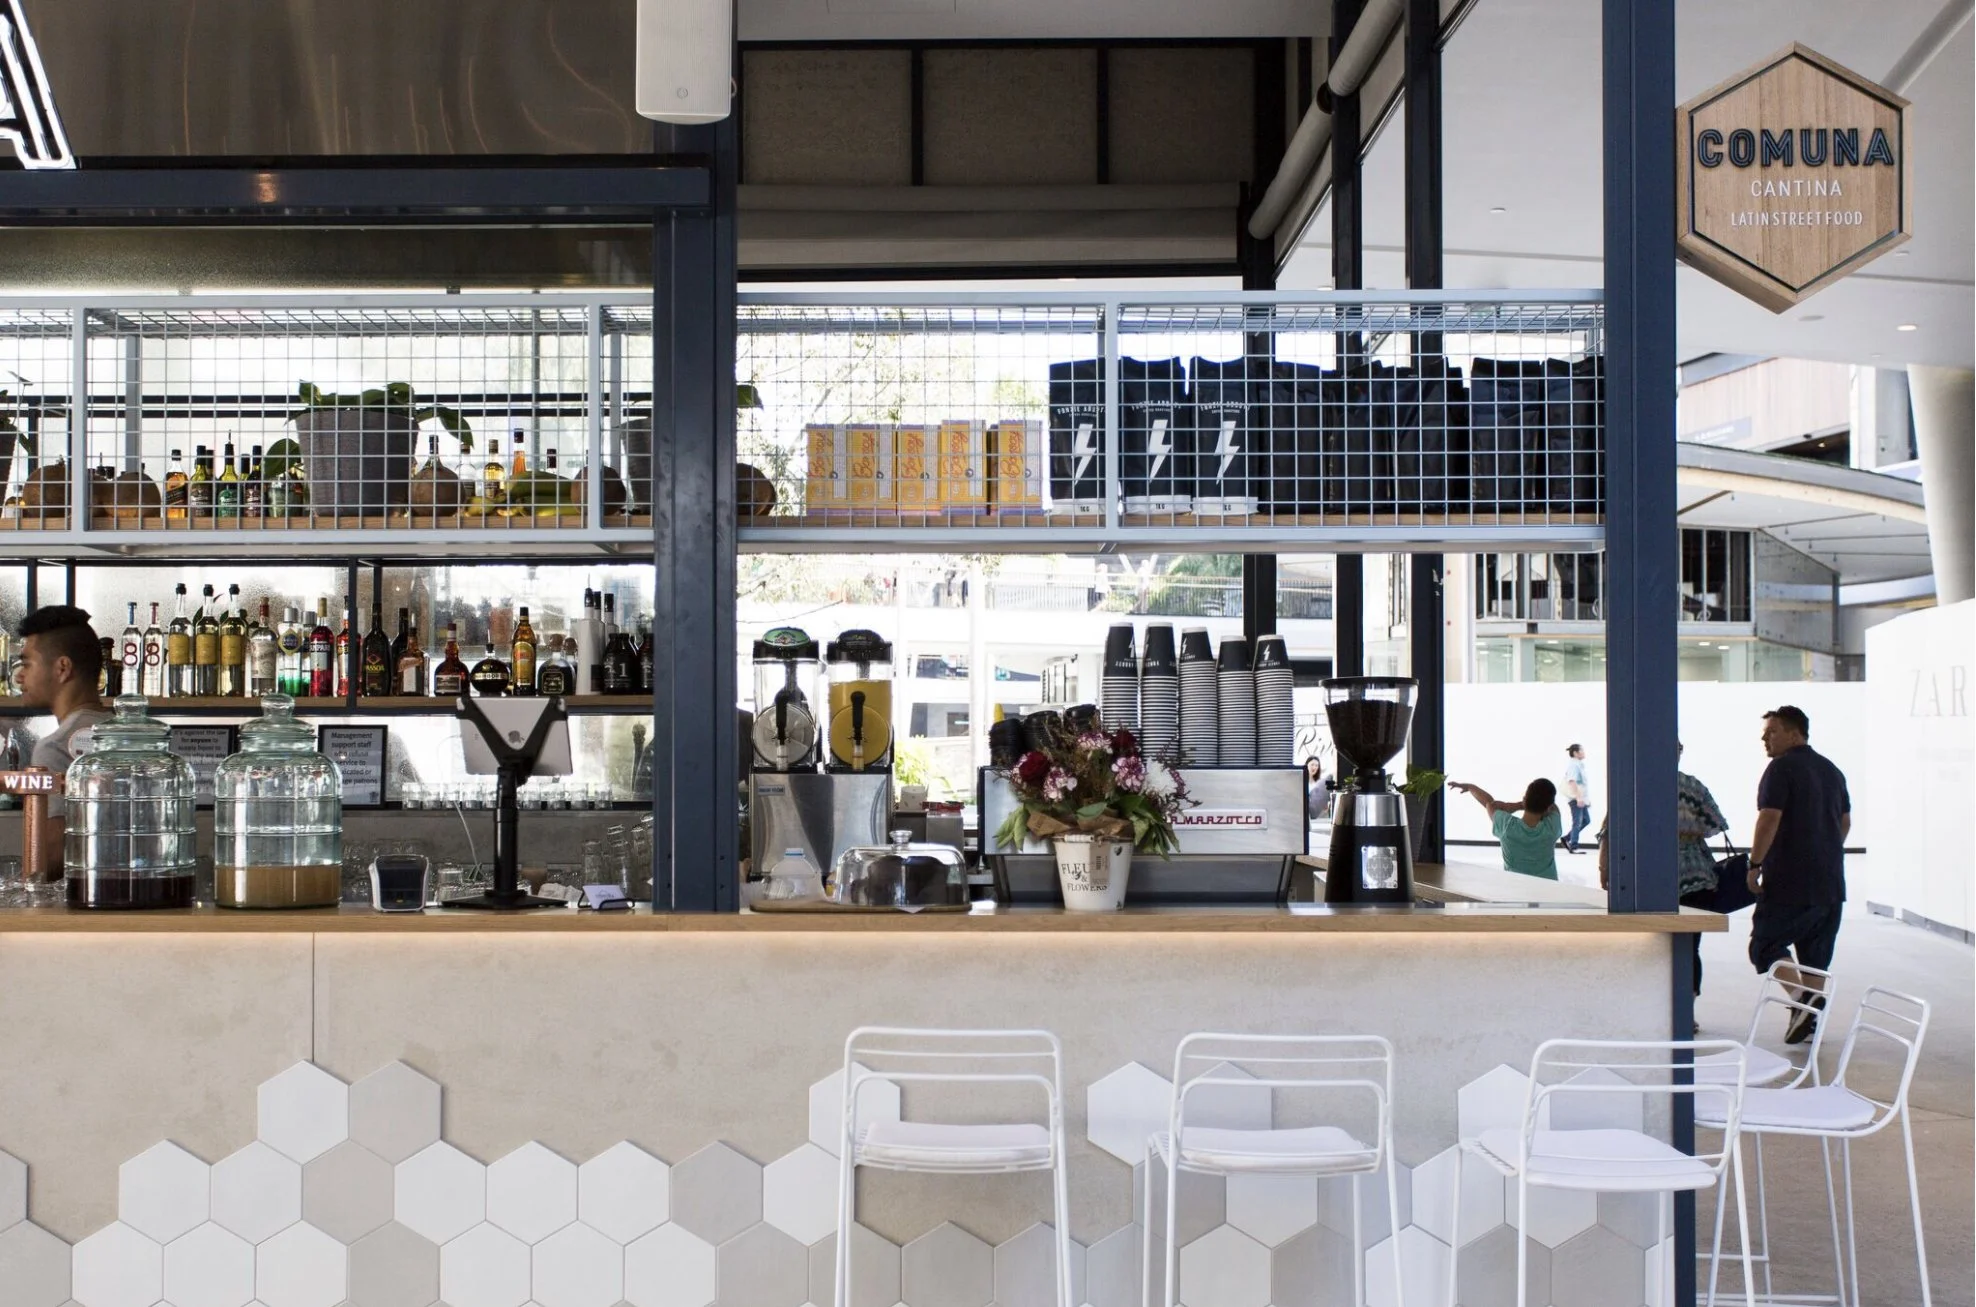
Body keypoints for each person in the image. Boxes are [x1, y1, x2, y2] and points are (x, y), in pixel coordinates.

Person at [1747, 705, 1850, 1044]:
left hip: (1791, 879)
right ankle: (1809, 1020)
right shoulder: (1831, 771)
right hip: (1831, 880)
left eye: (1772, 731)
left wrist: (1755, 864)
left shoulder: (1781, 769)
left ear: (1794, 733)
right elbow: (1845, 822)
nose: (1765, 738)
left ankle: (1802, 1000)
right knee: (1815, 954)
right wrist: (1824, 851)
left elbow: (1769, 818)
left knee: (1765, 943)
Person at [1600, 744, 1730, 1003]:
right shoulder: (1693, 787)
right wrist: (1685, 828)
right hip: (1695, 877)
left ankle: (1656, 1006)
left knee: (1653, 945)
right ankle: (1686, 1010)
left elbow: (1610, 830)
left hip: (1648, 876)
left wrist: (1605, 868)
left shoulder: (1634, 785)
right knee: (1689, 946)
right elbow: (1715, 823)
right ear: (1678, 752)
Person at [17, 606, 110, 881]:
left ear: (62, 668)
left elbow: (48, 859)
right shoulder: (127, 735)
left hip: (86, 908)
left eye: (27, 664)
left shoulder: (55, 747)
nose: (20, 676)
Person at [1452, 777, 1562, 880]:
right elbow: (1553, 808)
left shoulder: (1507, 826)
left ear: (1525, 799)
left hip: (1515, 890)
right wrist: (1528, 803)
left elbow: (1490, 804)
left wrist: (1471, 787)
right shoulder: (1552, 828)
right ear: (1548, 806)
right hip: (1548, 890)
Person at [1561, 743, 1593, 853]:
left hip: (1581, 798)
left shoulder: (1579, 764)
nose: (1584, 752)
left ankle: (1566, 839)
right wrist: (1578, 798)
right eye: (1582, 750)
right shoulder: (1574, 765)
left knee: (1586, 820)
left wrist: (1585, 799)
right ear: (1575, 753)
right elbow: (1572, 781)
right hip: (1576, 799)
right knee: (1577, 822)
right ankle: (1573, 846)